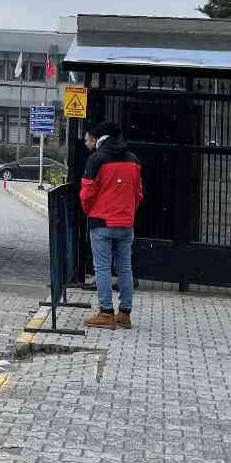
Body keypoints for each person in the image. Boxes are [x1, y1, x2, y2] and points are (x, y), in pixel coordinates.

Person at [79, 119, 143, 330]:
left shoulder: (96, 159)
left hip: (102, 222)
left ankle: (106, 313)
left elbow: (86, 193)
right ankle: (125, 313)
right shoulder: (133, 159)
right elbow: (138, 194)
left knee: (103, 267)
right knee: (125, 266)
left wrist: (90, 212)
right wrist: (128, 212)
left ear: (99, 138)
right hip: (125, 223)